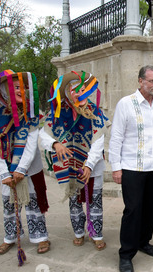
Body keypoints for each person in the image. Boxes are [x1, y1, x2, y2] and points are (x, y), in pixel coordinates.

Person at [0, 70, 50, 256]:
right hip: (4, 167)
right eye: (16, 87)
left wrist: (21, 168)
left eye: (23, 87)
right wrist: (5, 172)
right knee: (8, 202)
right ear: (5, 90)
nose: (21, 91)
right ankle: (10, 237)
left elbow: (31, 141)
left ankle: (40, 237)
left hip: (29, 167)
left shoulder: (31, 110)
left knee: (33, 201)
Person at [40, 71, 109, 252]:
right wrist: (55, 144)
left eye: (82, 89)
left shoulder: (95, 111)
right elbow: (43, 134)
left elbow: (98, 141)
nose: (78, 93)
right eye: (74, 90)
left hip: (92, 166)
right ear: (68, 92)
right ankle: (78, 232)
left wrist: (88, 165)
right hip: (69, 165)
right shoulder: (57, 111)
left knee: (95, 200)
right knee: (74, 200)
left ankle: (96, 234)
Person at [109, 65, 153, 272]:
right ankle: (126, 254)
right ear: (140, 81)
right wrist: (116, 167)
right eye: (152, 81)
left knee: (151, 208)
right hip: (132, 167)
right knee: (133, 210)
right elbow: (116, 137)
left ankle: (144, 242)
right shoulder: (126, 103)